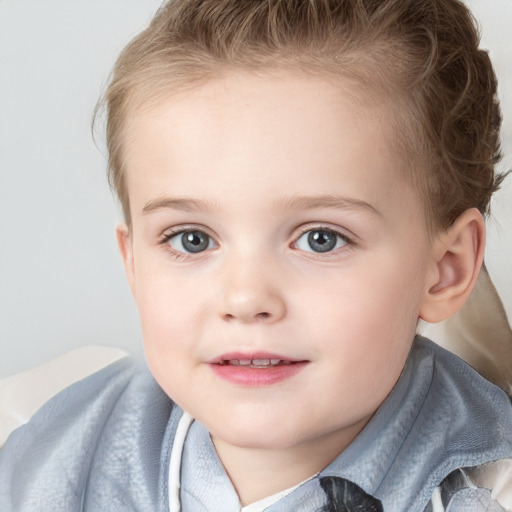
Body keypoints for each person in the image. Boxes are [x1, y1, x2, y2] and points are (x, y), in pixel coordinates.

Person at [1, 0, 511, 510]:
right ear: (134, 264)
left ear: (446, 271)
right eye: (191, 239)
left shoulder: (486, 491)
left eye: (320, 238)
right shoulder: (38, 449)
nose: (245, 298)